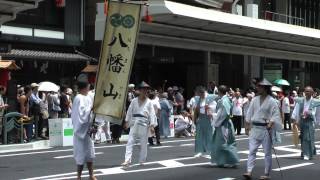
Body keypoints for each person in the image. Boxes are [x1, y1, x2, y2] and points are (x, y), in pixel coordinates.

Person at [243, 78, 282, 180]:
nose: (257, 88)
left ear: (265, 88)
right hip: (255, 128)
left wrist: (271, 122)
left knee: (267, 152)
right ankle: (249, 171)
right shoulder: (255, 99)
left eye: (259, 86)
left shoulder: (272, 101)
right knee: (252, 150)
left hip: (266, 129)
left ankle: (267, 173)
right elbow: (249, 113)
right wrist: (247, 126)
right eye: (257, 86)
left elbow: (276, 114)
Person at [121, 81, 157, 167]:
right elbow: (129, 112)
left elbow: (152, 114)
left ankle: (142, 160)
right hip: (134, 122)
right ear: (139, 90)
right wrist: (126, 121)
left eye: (146, 90)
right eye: (143, 89)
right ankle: (127, 160)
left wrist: (152, 125)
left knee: (143, 143)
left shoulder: (149, 102)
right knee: (130, 142)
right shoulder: (134, 101)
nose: (145, 91)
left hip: (144, 124)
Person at [71, 80, 96, 180]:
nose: (89, 88)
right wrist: (91, 108)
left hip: (87, 130)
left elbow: (89, 113)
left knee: (90, 154)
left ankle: (91, 175)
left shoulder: (87, 97)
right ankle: (79, 176)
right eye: (88, 86)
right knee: (81, 155)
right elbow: (81, 114)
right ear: (84, 87)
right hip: (80, 131)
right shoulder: (78, 98)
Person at [210, 85, 240, 168]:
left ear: (219, 91)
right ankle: (224, 161)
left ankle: (230, 160)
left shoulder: (223, 101)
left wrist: (213, 117)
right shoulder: (226, 99)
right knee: (228, 142)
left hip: (223, 124)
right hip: (227, 123)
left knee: (222, 143)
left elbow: (222, 114)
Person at [291, 86, 320, 160]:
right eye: (306, 91)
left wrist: (309, 114)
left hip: (310, 121)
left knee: (308, 137)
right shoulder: (300, 100)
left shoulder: (315, 101)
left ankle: (307, 154)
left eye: (309, 91)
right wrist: (295, 119)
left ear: (312, 93)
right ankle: (304, 152)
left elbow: (315, 112)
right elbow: (296, 110)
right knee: (303, 137)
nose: (307, 93)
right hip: (302, 121)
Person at [194, 86, 217, 157]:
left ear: (203, 92)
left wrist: (209, 107)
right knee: (199, 135)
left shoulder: (210, 97)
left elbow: (215, 106)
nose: (198, 95)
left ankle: (210, 151)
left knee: (209, 135)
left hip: (208, 118)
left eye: (199, 94)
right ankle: (200, 151)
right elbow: (196, 109)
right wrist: (195, 118)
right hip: (201, 118)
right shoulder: (198, 98)